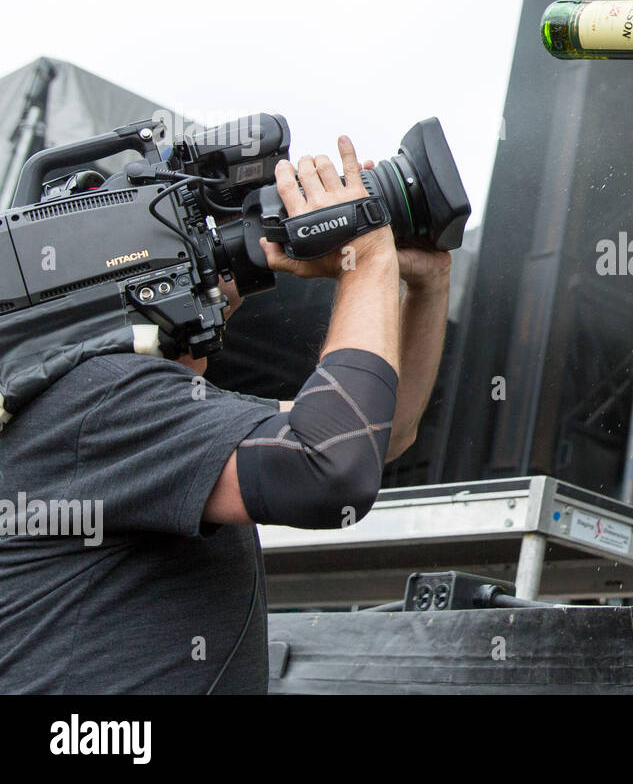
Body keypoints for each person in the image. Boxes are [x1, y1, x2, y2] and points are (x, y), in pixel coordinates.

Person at [0, 136, 452, 692]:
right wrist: (365, 259)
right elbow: (331, 466)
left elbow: (380, 435)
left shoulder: (88, 408)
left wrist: (422, 285)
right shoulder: (103, 401)